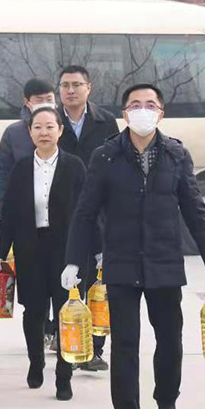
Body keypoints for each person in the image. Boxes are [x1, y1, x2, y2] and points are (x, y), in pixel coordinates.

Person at [64, 83, 205, 409]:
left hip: (164, 261)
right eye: (135, 104)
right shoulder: (106, 156)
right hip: (121, 261)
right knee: (125, 343)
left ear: (161, 113)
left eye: (150, 105)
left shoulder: (176, 154)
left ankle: (166, 402)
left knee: (169, 339)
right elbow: (85, 212)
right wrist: (73, 260)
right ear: (124, 114)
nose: (142, 110)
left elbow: (194, 209)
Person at [0, 106, 85, 400]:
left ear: (60, 130)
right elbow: (9, 215)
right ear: (30, 133)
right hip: (29, 248)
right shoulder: (21, 168)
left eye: (49, 127)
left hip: (65, 250)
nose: (44, 133)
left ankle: (64, 375)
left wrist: (93, 251)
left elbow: (87, 213)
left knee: (66, 311)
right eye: (37, 127)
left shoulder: (74, 166)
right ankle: (36, 361)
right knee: (33, 310)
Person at [56, 65, 119, 370]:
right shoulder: (52, 122)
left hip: (100, 211)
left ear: (88, 88)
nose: (71, 90)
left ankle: (95, 349)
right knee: (68, 281)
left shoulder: (105, 122)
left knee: (98, 281)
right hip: (63, 209)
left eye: (76, 84)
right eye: (65, 85)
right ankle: (69, 347)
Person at [0, 77, 56, 226]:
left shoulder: (61, 128)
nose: (45, 103)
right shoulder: (13, 133)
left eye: (49, 99)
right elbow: (4, 176)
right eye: (39, 100)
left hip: (60, 212)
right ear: (27, 102)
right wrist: (0, 215)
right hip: (25, 212)